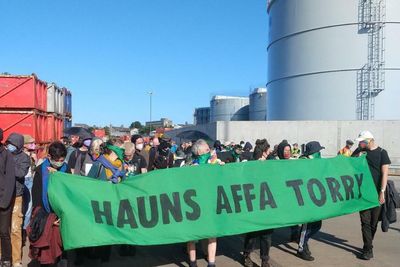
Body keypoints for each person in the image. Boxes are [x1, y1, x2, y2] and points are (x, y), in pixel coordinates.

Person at [30, 141, 71, 266]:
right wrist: (48, 220)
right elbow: (37, 199)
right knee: (47, 255)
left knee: (62, 252)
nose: (60, 162)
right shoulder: (40, 172)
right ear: (49, 157)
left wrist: (58, 177)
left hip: (63, 217)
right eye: (57, 160)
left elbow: (70, 192)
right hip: (47, 216)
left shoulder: (66, 169)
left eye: (62, 160)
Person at [352, 131, 390, 260]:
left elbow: (385, 173)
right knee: (365, 222)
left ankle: (368, 244)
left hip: (377, 193)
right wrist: (357, 157)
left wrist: (382, 192)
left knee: (373, 223)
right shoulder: (359, 151)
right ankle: (368, 249)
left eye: (362, 141)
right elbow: (349, 164)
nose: (360, 143)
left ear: (369, 141)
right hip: (363, 194)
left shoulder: (382, 153)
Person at [187, 139, 220, 267]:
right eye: (207, 150)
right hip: (194, 205)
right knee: (192, 236)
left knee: (212, 234)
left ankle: (211, 263)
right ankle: (193, 262)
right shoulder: (191, 166)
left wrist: (221, 167)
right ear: (199, 152)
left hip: (210, 203)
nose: (210, 151)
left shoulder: (215, 162)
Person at [243, 139, 273, 267]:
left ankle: (265, 260)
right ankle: (247, 256)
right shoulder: (250, 164)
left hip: (267, 204)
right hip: (254, 204)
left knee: (266, 235)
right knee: (252, 234)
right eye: (268, 150)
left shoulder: (271, 163)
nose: (270, 152)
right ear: (264, 152)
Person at [295, 141, 325, 261]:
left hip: (315, 198)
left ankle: (304, 241)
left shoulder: (317, 163)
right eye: (318, 152)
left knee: (317, 225)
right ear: (313, 152)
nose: (320, 154)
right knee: (306, 226)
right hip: (306, 200)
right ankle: (301, 248)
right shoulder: (303, 162)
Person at [5, 133, 30, 267]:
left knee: (15, 229)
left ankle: (16, 260)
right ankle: (4, 256)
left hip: (16, 196)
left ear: (19, 146)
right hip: (3, 196)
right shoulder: (3, 154)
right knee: (3, 229)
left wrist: (7, 165)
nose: (10, 146)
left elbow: (21, 173)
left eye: (13, 144)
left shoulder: (24, 158)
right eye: (9, 143)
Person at [0, 128, 16, 267]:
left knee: (4, 232)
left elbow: (10, 180)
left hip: (3, 202)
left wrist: (4, 202)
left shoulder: (6, 155)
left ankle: (6, 259)